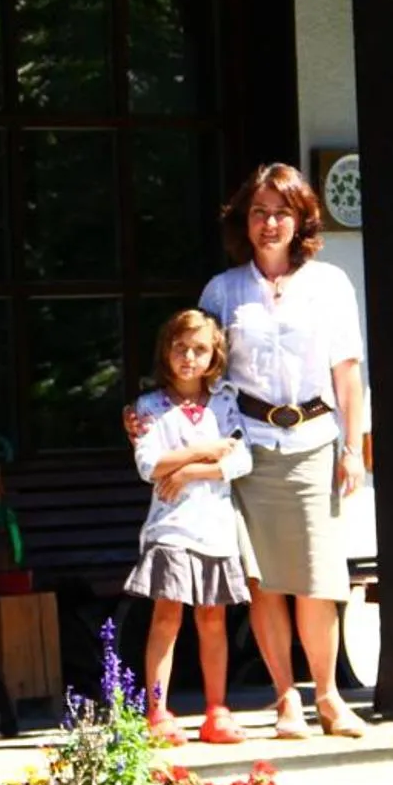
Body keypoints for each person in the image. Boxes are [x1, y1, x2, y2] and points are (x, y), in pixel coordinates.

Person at [201, 162, 369, 740]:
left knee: (318, 579)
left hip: (314, 442)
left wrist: (355, 449)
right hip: (250, 449)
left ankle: (328, 698)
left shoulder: (329, 285)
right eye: (258, 212)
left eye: (281, 212)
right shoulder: (223, 292)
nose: (270, 223)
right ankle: (285, 700)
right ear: (243, 222)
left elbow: (349, 374)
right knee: (264, 581)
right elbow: (200, 374)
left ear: (301, 221)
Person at [125, 308, 252, 745]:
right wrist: (206, 450)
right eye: (180, 348)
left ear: (214, 356)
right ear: (166, 351)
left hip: (215, 529)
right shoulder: (149, 408)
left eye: (199, 350)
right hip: (170, 528)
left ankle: (217, 709)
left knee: (213, 619)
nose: (189, 358)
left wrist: (192, 471)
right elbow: (149, 465)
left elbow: (241, 458)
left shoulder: (225, 402)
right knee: (166, 617)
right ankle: (157, 711)